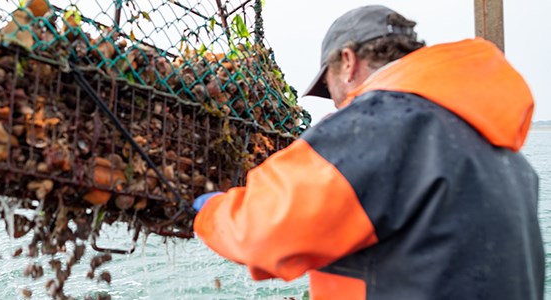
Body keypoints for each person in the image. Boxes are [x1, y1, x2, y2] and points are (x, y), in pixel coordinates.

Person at [192, 5, 542, 299]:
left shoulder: (377, 124)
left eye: (330, 90)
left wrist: (211, 210)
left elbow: (263, 234)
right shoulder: (507, 155)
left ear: (348, 62)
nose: (339, 105)